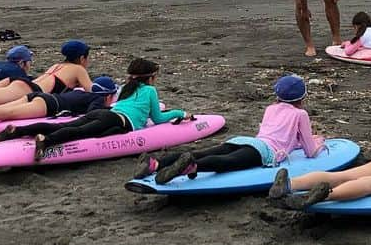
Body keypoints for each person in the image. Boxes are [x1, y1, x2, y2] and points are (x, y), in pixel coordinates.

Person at [135, 74, 324, 185]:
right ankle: (192, 167)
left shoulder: (271, 108)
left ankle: (156, 164)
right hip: (267, 152)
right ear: (302, 97)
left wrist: (297, 143)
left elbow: (283, 135)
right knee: (229, 162)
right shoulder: (301, 115)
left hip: (247, 141)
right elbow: (310, 151)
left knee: (203, 151)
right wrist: (318, 143)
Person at [0, 57, 191, 161]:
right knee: (79, 132)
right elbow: (157, 119)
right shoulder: (150, 90)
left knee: (72, 125)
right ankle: (46, 141)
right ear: (150, 77)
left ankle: (17, 131)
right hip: (116, 120)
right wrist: (179, 113)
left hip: (106, 114)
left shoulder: (127, 89)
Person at [0, 39, 95, 123]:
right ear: (82, 58)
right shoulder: (79, 69)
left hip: (20, 82)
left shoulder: (57, 65)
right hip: (29, 88)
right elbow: (92, 91)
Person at [0, 75, 118, 130]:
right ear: (108, 95)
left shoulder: (81, 92)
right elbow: (93, 114)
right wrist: (109, 108)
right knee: (7, 114)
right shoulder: (97, 99)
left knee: (5, 107)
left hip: (36, 95)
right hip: (48, 105)